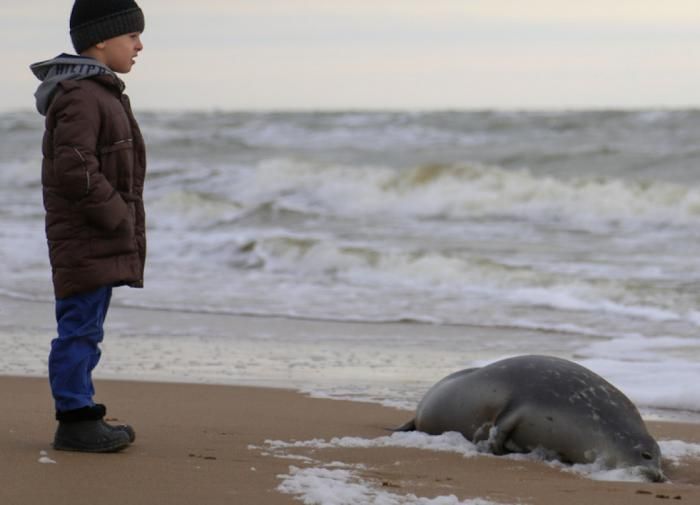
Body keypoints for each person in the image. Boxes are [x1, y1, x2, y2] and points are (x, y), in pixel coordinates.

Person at [29, 0, 147, 453]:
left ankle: (81, 411)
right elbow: (75, 167)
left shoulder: (98, 91)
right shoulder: (81, 94)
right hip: (87, 236)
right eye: (131, 36)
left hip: (94, 236)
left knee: (85, 328)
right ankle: (76, 420)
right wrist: (117, 215)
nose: (139, 46)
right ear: (101, 39)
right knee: (79, 328)